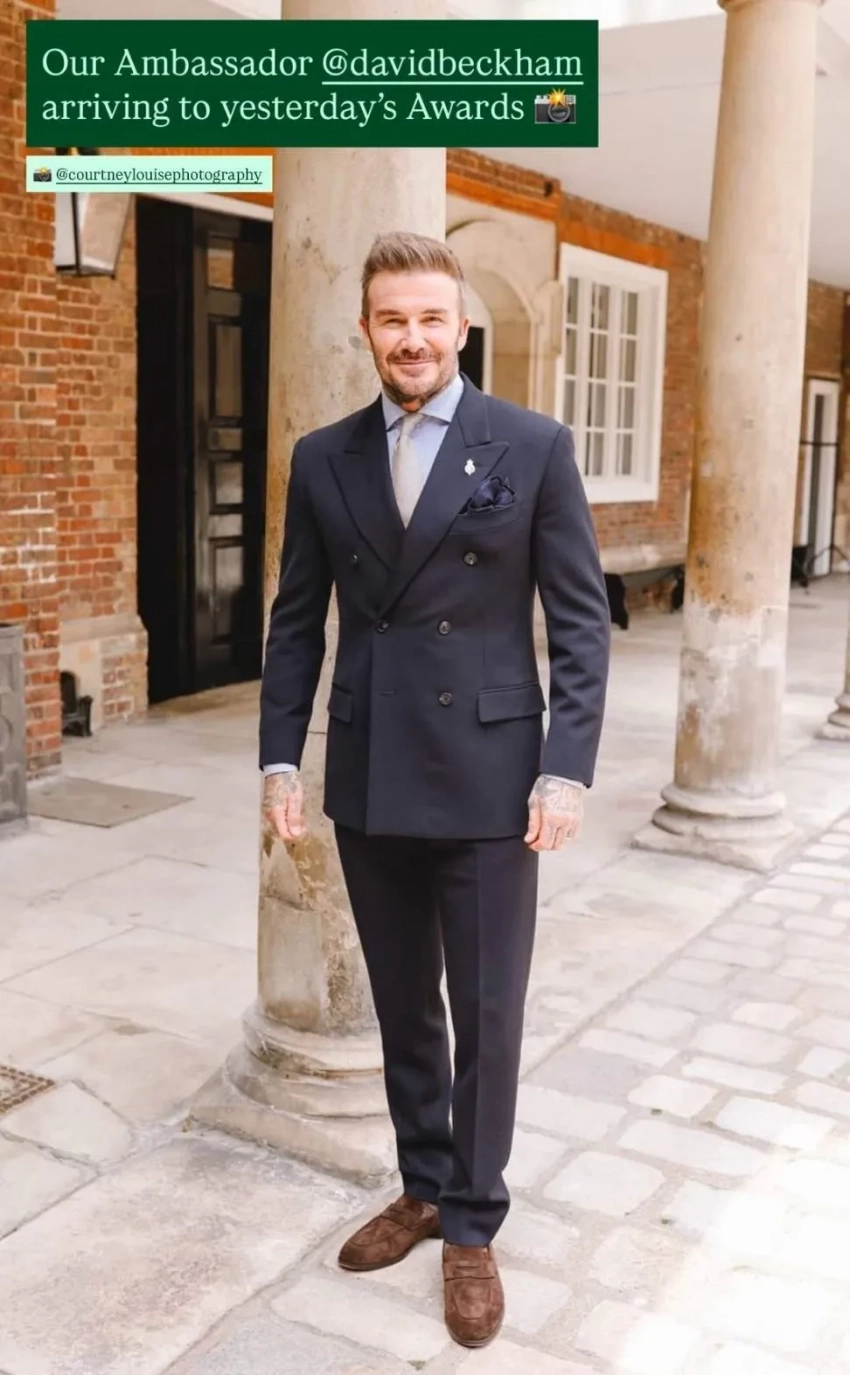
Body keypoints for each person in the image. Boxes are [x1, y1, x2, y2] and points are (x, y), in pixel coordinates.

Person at [259, 231, 610, 1349]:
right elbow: (294, 621)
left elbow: (581, 622)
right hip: (370, 769)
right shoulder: (323, 456)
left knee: (488, 1011)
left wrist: (565, 766)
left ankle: (471, 1221)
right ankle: (421, 1182)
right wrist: (279, 757)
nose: (411, 338)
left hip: (493, 780)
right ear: (366, 329)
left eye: (428, 318)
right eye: (391, 320)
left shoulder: (533, 444)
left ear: (460, 326)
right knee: (403, 1000)